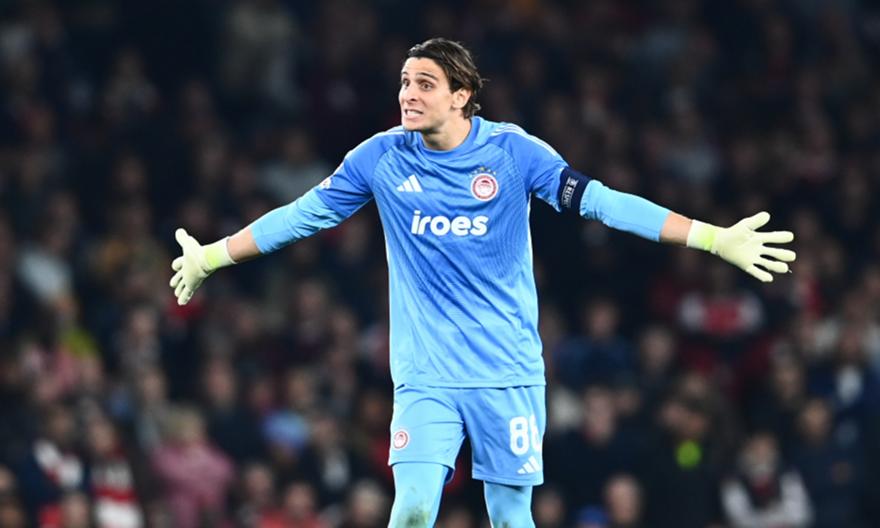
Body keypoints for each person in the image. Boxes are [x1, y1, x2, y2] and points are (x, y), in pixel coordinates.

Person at [169, 38, 797, 527]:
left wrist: (711, 237)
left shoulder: (513, 154)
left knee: (510, 517)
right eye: (404, 82)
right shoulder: (380, 158)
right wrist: (212, 257)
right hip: (427, 376)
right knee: (412, 509)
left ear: (461, 95)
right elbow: (300, 216)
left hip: (507, 372)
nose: (408, 94)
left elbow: (603, 202)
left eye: (425, 83)